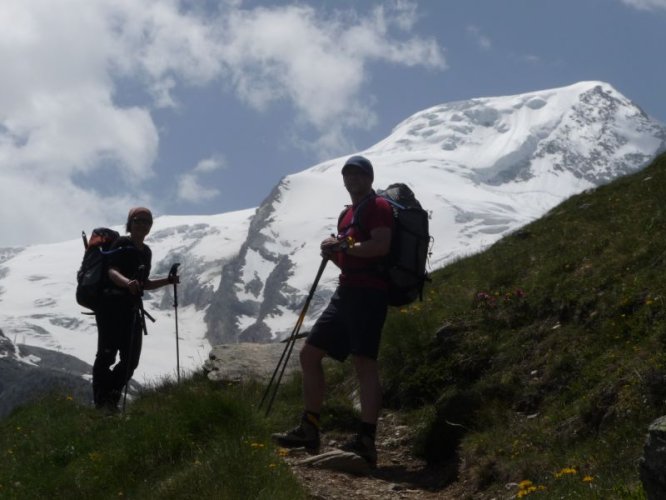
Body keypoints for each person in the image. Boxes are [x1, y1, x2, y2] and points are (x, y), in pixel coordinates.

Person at [272, 155, 393, 467]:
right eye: (347, 174)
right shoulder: (347, 215)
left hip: (370, 293)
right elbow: (350, 256)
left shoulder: (378, 206)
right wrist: (336, 251)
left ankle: (367, 439)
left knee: (364, 362)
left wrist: (344, 247)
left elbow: (381, 245)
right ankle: (309, 427)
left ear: (369, 177)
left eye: (358, 173)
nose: (352, 178)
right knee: (309, 355)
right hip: (347, 290)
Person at [92, 207, 178, 412]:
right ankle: (103, 403)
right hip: (111, 306)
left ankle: (109, 398)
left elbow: (144, 282)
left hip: (130, 309)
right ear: (130, 223)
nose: (142, 225)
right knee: (107, 355)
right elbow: (112, 271)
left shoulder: (145, 252)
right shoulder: (122, 244)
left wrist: (168, 281)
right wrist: (126, 283)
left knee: (130, 359)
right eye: (138, 220)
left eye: (146, 222)